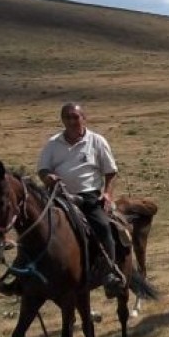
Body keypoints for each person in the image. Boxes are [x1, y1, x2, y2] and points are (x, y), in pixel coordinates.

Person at [31, 102, 126, 297]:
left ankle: (109, 273)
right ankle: (23, 274)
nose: (72, 121)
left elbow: (110, 171)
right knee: (34, 227)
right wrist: (47, 177)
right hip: (57, 195)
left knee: (103, 226)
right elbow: (42, 169)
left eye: (75, 117)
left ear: (84, 118)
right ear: (62, 120)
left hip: (87, 196)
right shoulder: (53, 143)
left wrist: (107, 194)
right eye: (67, 117)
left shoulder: (96, 141)